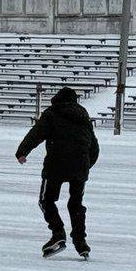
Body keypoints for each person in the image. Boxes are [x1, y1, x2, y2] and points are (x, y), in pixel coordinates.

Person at [16, 86, 99, 259]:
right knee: (76, 204)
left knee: (46, 200)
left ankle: (58, 234)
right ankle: (81, 242)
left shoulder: (52, 113)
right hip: (79, 166)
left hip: (56, 165)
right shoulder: (83, 116)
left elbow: (36, 134)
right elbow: (94, 145)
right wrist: (85, 165)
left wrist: (22, 151)